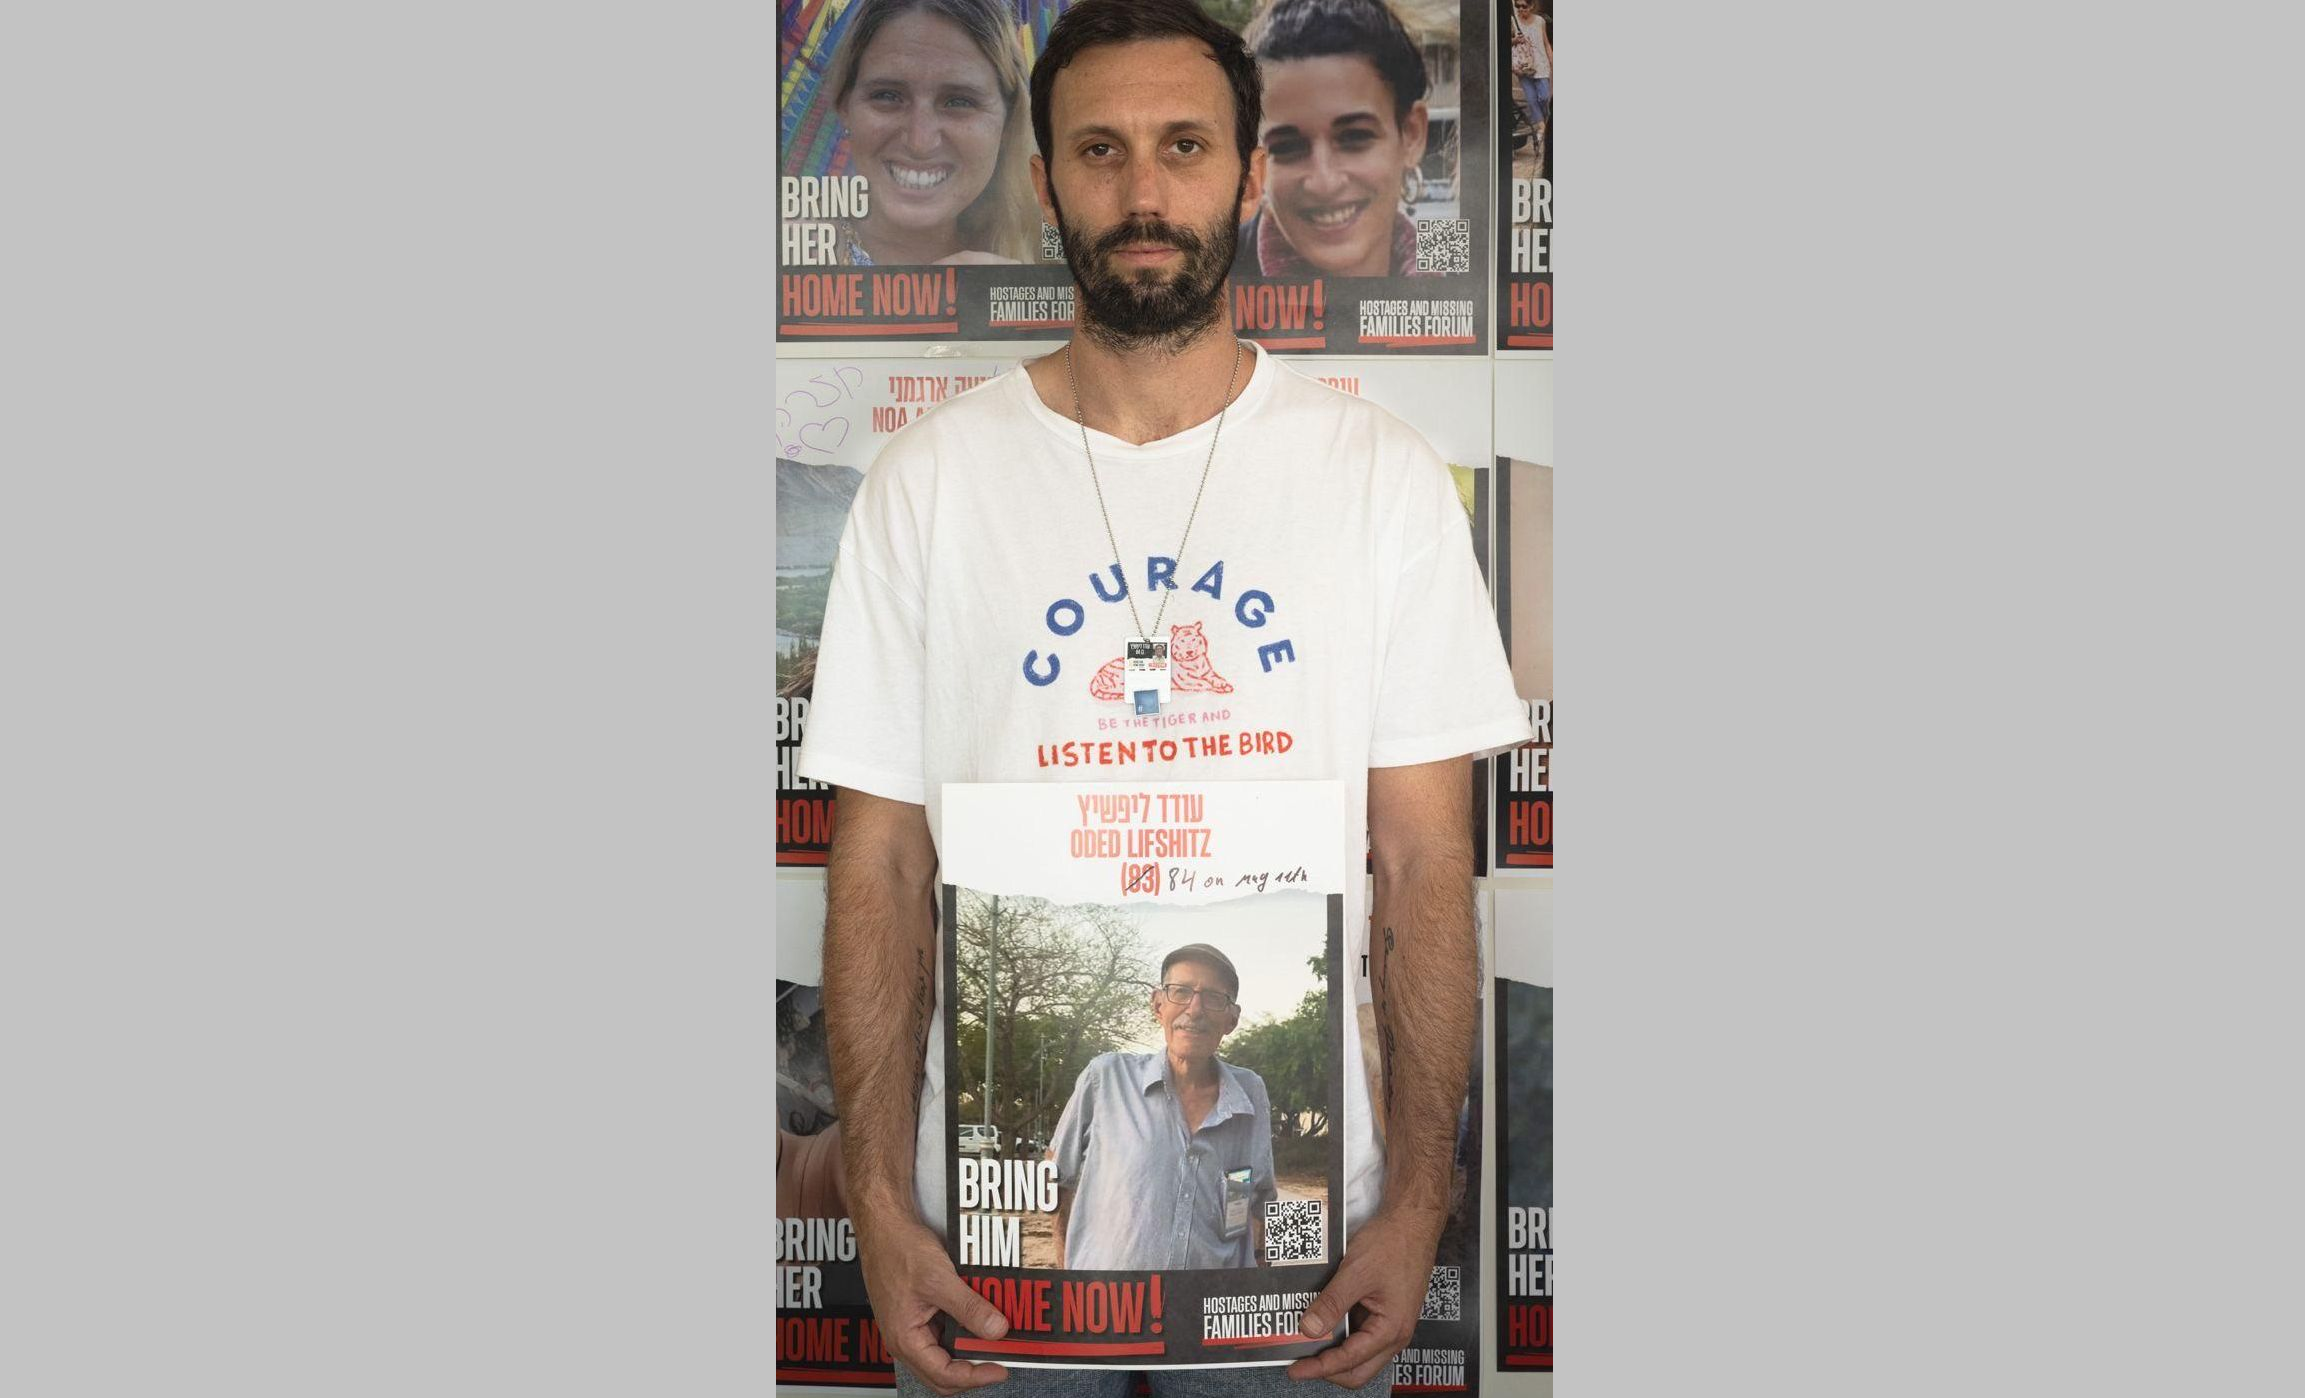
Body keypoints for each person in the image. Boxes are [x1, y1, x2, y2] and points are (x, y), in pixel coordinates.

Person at [800, 1, 1530, 1393]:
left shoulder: (1375, 475)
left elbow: (1427, 863)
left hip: (1305, 1280)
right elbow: (878, 862)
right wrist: (883, 1207)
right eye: (1101, 149)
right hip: (993, 1277)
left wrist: (1420, 1202)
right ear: (1047, 179)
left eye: (1185, 146)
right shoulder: (930, 483)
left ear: (1247, 175)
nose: (1144, 192)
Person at [1048, 945, 1277, 1270]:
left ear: (1232, 1019)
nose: (1194, 1009)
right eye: (1181, 992)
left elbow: (1257, 1200)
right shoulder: (1106, 1078)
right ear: (1158, 1005)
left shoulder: (1251, 1091)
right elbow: (1057, 1177)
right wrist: (1065, 1275)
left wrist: (1266, 1286)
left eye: (1213, 997)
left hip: (1208, 1308)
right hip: (1110, 1309)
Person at [818, 0, 1041, 266]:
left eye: (959, 102)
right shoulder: (782, 254)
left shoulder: (1060, 258)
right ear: (845, 105)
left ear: (1008, 119)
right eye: (887, 96)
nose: (919, 142)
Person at [1234, 0, 1433, 279]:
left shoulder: (1445, 250)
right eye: (1287, 147)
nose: (1324, 182)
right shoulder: (1214, 276)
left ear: (1412, 135)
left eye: (1355, 137)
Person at [1507, 0, 1551, 164]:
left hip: (1541, 66)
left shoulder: (1540, 21)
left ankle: (1541, 125)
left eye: (1523, 6)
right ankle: (1541, 128)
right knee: (1532, 100)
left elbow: (1546, 43)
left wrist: (1552, 61)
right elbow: (1504, 43)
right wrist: (1514, 41)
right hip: (1523, 67)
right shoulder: (1513, 21)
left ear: (1531, 6)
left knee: (1544, 97)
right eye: (1517, 6)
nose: (1520, 9)